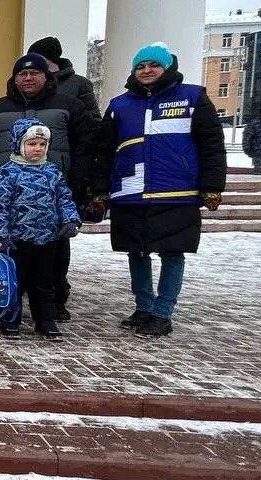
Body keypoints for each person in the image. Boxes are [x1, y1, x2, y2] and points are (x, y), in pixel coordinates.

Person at [88, 44, 226, 338]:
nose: (147, 71)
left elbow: (211, 145)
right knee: (135, 252)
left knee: (172, 252)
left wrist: (212, 186)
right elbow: (103, 151)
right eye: (141, 66)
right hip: (130, 192)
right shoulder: (119, 105)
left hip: (176, 192)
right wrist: (100, 190)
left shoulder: (193, 97)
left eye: (154, 65)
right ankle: (144, 307)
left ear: (168, 68)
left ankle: (163, 312)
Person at [0, 52, 97, 323]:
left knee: (54, 255)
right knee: (13, 254)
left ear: (46, 76)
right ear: (14, 79)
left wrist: (80, 182)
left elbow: (85, 146)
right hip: (11, 192)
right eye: (21, 74)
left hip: (52, 191)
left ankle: (53, 303)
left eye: (33, 73)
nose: (27, 78)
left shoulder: (68, 106)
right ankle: (9, 299)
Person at [0, 119, 81, 341]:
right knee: (15, 282)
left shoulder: (52, 171)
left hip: (47, 239)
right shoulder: (8, 172)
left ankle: (45, 321)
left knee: (45, 283)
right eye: (31, 144)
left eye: (42, 144)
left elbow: (64, 198)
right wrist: (0, 233)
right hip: (17, 240)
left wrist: (70, 219)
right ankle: (10, 320)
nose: (37, 149)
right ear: (19, 144)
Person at [27, 36, 101, 119]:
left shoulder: (80, 84)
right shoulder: (30, 82)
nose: (30, 62)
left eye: (35, 58)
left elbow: (93, 118)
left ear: (47, 59)